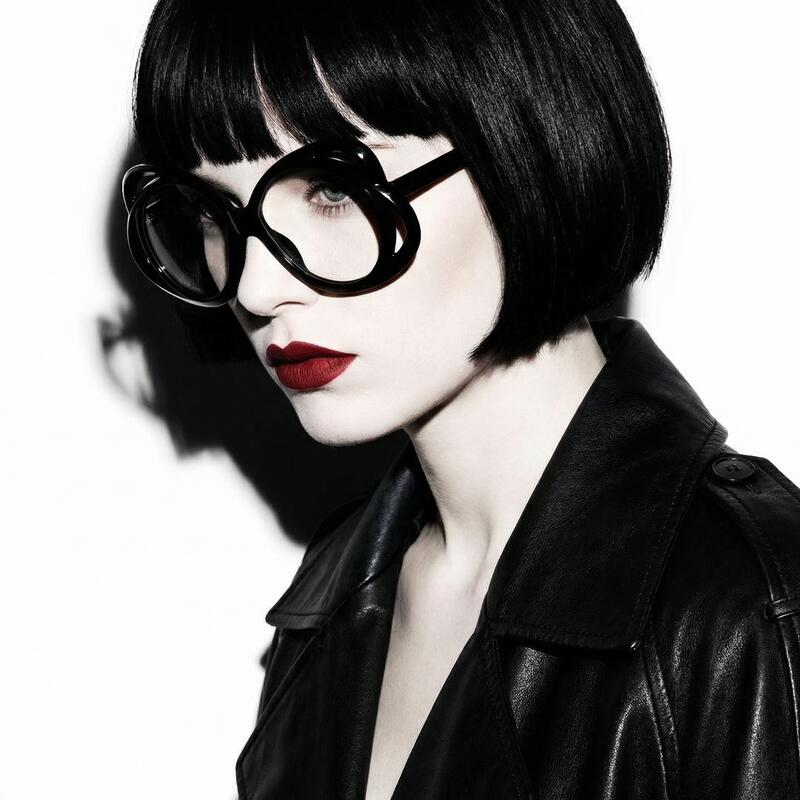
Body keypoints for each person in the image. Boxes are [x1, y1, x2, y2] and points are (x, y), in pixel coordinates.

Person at [121, 1, 800, 797]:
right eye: (216, 214)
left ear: (528, 145)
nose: (257, 287)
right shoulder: (338, 599)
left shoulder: (750, 606)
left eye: (334, 189)